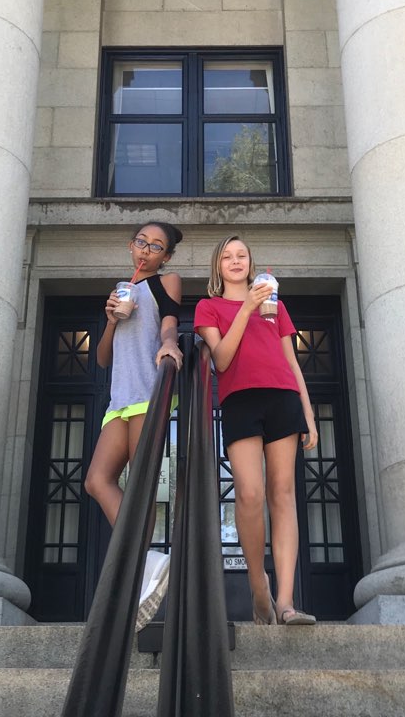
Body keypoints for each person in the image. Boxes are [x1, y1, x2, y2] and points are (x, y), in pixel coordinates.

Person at [194, 234, 318, 626]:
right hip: (240, 400)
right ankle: (257, 581)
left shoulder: (275, 304)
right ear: (218, 266)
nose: (235, 261)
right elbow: (221, 360)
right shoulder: (209, 307)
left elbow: (291, 361)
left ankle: (286, 601)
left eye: (242, 255)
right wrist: (246, 307)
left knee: (283, 494)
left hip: (283, 397)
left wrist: (308, 412)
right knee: (249, 494)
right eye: (227, 256)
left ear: (251, 262)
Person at [84, 221, 183, 631]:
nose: (146, 250)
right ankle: (147, 561)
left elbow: (170, 320)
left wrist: (170, 342)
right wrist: (110, 319)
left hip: (148, 393)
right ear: (131, 245)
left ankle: (139, 572)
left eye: (156, 246)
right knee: (96, 481)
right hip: (118, 401)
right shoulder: (120, 290)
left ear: (166, 256)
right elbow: (102, 358)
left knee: (140, 485)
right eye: (142, 242)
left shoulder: (166, 282)